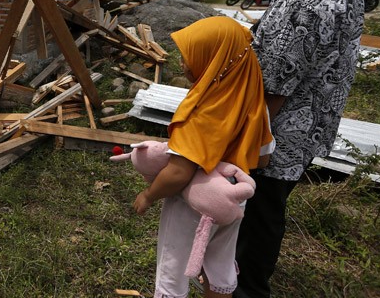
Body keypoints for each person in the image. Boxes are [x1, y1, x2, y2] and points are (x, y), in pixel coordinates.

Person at [234, 0, 363, 298]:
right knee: (259, 222)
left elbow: (269, 95)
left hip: (272, 141)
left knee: (252, 232)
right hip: (291, 135)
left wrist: (230, 148)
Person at [117, 16, 274, 298]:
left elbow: (179, 173)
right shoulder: (253, 101)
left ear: (214, 61)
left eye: (190, 57)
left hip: (193, 206)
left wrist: (149, 195)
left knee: (172, 269)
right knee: (220, 263)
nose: (182, 64)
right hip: (232, 200)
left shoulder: (203, 112)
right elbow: (263, 158)